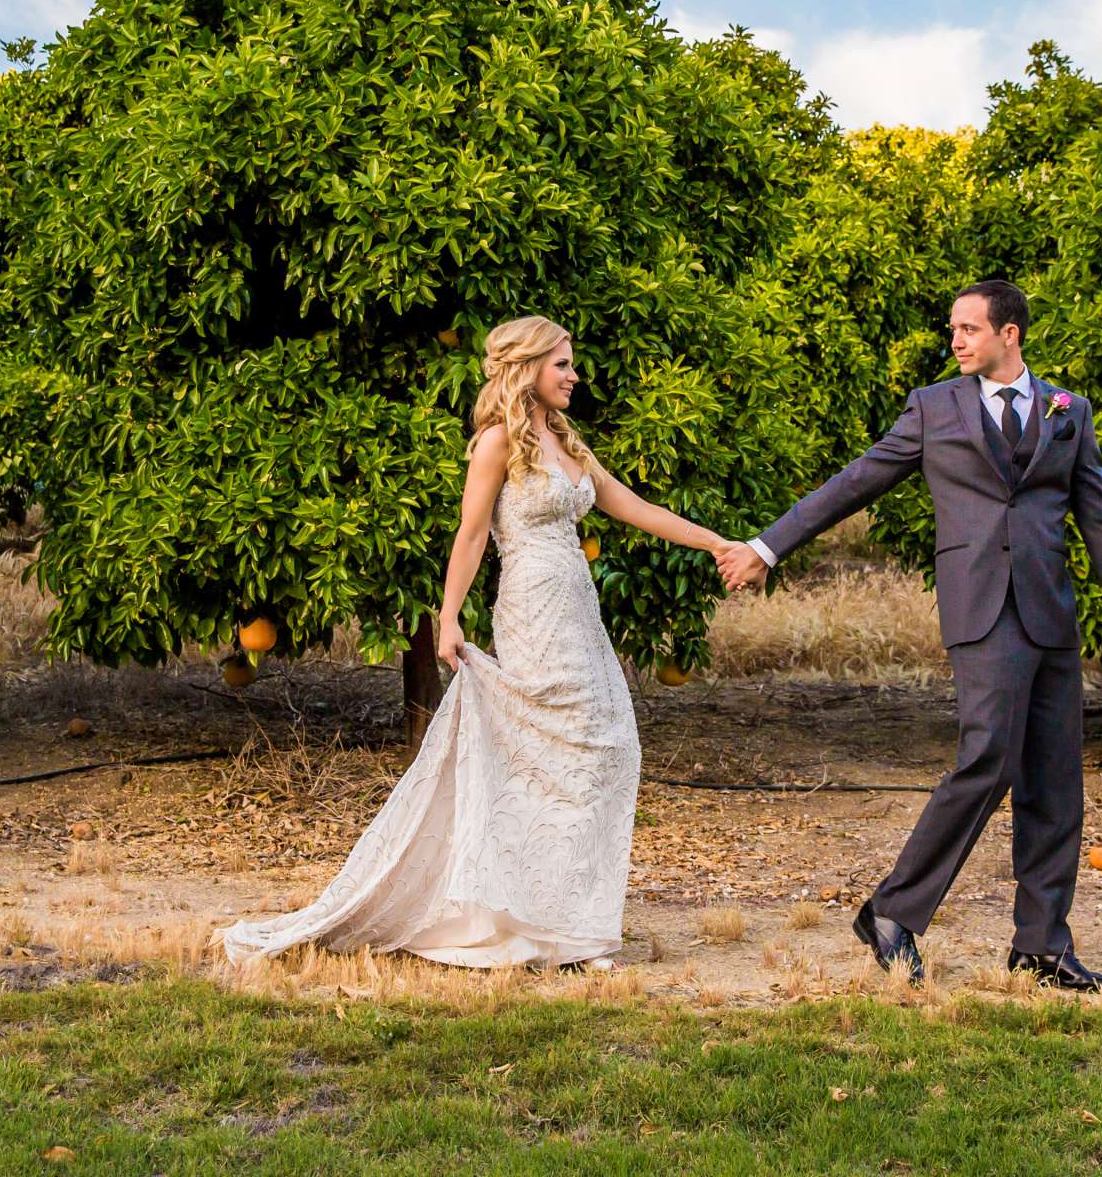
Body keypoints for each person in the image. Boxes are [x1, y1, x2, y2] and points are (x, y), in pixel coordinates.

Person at [219, 315, 738, 971]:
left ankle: (562, 918)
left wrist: (714, 542)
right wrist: (449, 616)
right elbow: (470, 536)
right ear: (527, 369)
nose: (574, 376)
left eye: (572, 364)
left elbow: (633, 506)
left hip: (580, 610)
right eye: (563, 365)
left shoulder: (564, 439)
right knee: (550, 754)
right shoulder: (497, 442)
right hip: (531, 608)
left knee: (607, 749)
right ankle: (540, 927)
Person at [717, 280, 1102, 992]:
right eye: (952, 329)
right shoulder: (934, 408)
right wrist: (768, 548)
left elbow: (1098, 516)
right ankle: (892, 913)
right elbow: (854, 482)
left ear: (1009, 334)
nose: (954, 340)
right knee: (987, 756)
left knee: (1056, 780)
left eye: (968, 329)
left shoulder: (1067, 412)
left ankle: (1042, 948)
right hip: (980, 609)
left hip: (1051, 613)